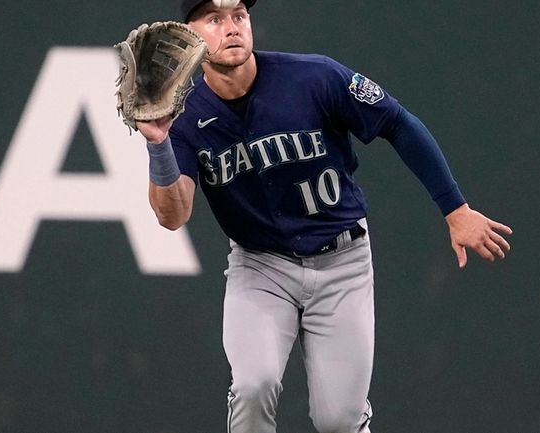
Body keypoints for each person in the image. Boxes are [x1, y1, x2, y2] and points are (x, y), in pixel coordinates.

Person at [134, 0, 512, 431]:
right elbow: (172, 215)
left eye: (239, 15)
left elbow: (398, 123)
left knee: (339, 421)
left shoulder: (313, 77)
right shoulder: (183, 114)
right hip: (261, 268)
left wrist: (455, 209)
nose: (232, 27)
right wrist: (159, 145)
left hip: (342, 263)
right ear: (189, 34)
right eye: (214, 19)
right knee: (252, 387)